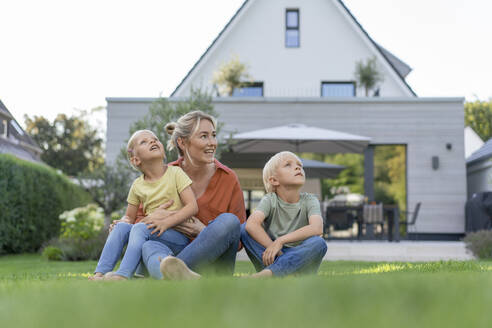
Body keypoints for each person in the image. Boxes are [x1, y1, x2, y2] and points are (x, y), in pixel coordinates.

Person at [140, 111, 246, 280]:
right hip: (173, 250)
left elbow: (238, 240)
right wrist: (155, 216)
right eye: (204, 136)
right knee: (150, 245)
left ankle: (167, 277)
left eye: (213, 135)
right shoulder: (162, 175)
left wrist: (203, 232)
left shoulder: (228, 178)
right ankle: (177, 276)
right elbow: (137, 227)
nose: (212, 143)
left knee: (229, 221)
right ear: (182, 142)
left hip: (216, 265)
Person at [90, 129, 198, 280]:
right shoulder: (137, 185)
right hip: (152, 236)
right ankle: (99, 273)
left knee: (141, 227)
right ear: (135, 160)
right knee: (122, 228)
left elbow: (192, 207)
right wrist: (121, 222)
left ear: (163, 152)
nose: (153, 141)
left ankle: (123, 274)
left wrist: (166, 222)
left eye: (155, 139)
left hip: (178, 236)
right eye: (144, 142)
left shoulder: (176, 173)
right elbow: (129, 217)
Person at [240, 151, 327, 278]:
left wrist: (280, 241)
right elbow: (251, 224)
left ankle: (268, 274)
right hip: (273, 255)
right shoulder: (270, 199)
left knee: (319, 243)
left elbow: (317, 228)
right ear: (274, 180)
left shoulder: (310, 200)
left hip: (301, 257)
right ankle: (284, 272)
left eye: (299, 165)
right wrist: (275, 248)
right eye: (288, 165)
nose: (298, 167)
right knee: (244, 229)